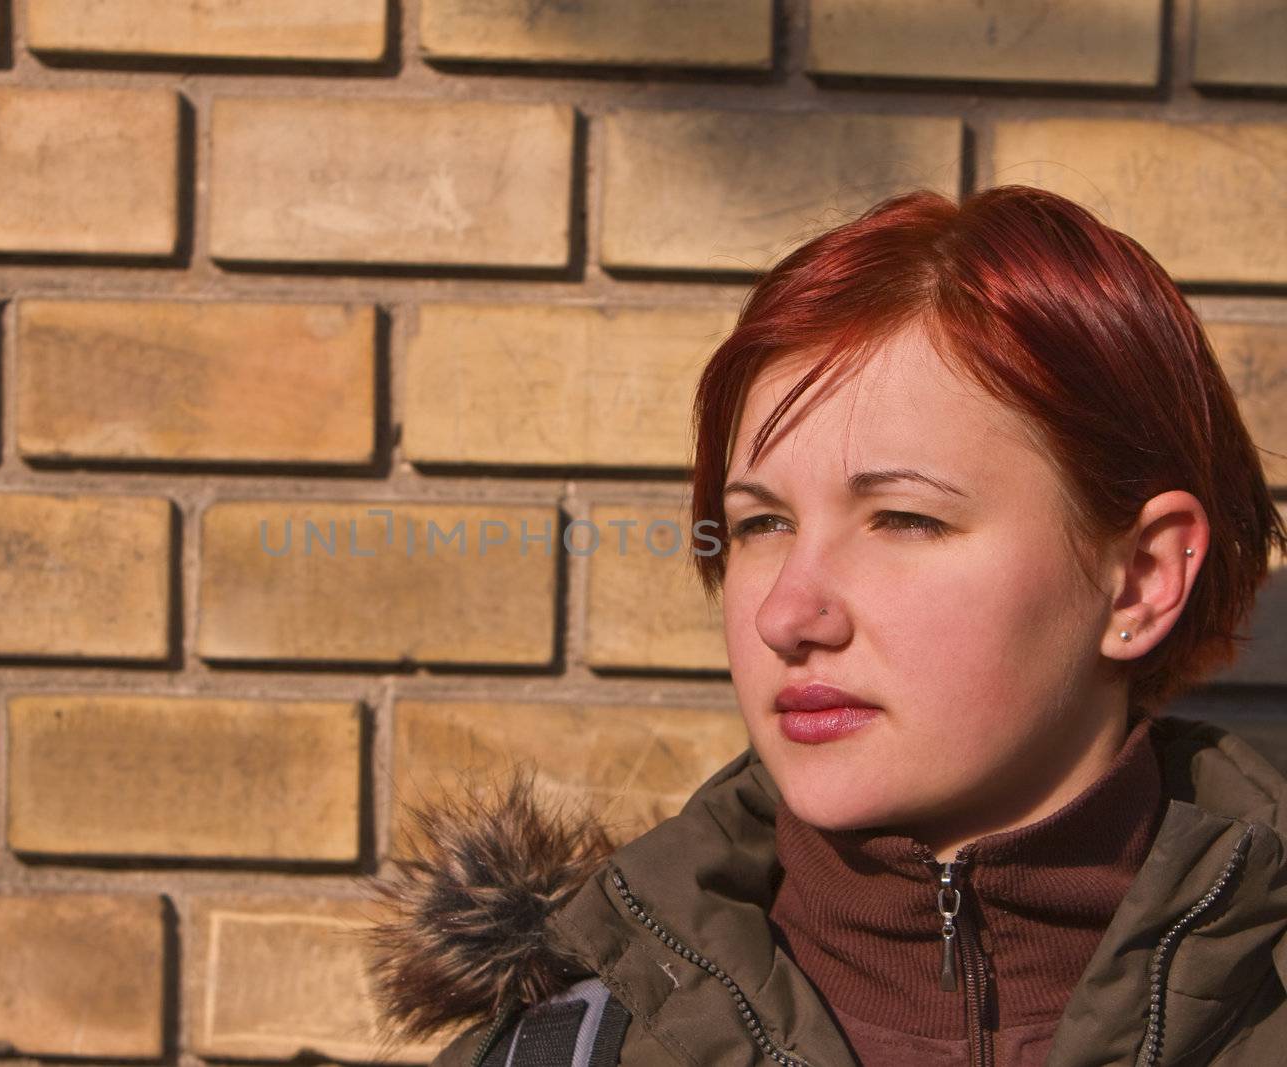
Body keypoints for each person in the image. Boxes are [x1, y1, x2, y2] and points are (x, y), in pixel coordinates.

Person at [364, 184, 1287, 1066]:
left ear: (1142, 579)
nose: (784, 613)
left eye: (904, 518)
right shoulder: (558, 1051)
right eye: (761, 522)